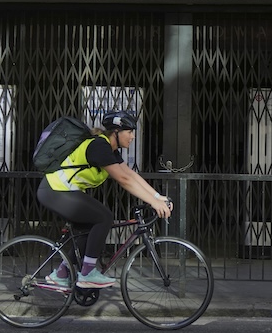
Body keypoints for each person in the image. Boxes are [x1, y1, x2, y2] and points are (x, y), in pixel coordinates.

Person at [37, 110, 172, 289]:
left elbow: (130, 174)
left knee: (87, 230)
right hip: (54, 191)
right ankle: (87, 274)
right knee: (104, 217)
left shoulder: (110, 149)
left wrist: (157, 196)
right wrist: (154, 203)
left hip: (65, 191)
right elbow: (123, 180)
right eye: (129, 132)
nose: (132, 137)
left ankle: (61, 274)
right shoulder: (99, 146)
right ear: (116, 132)